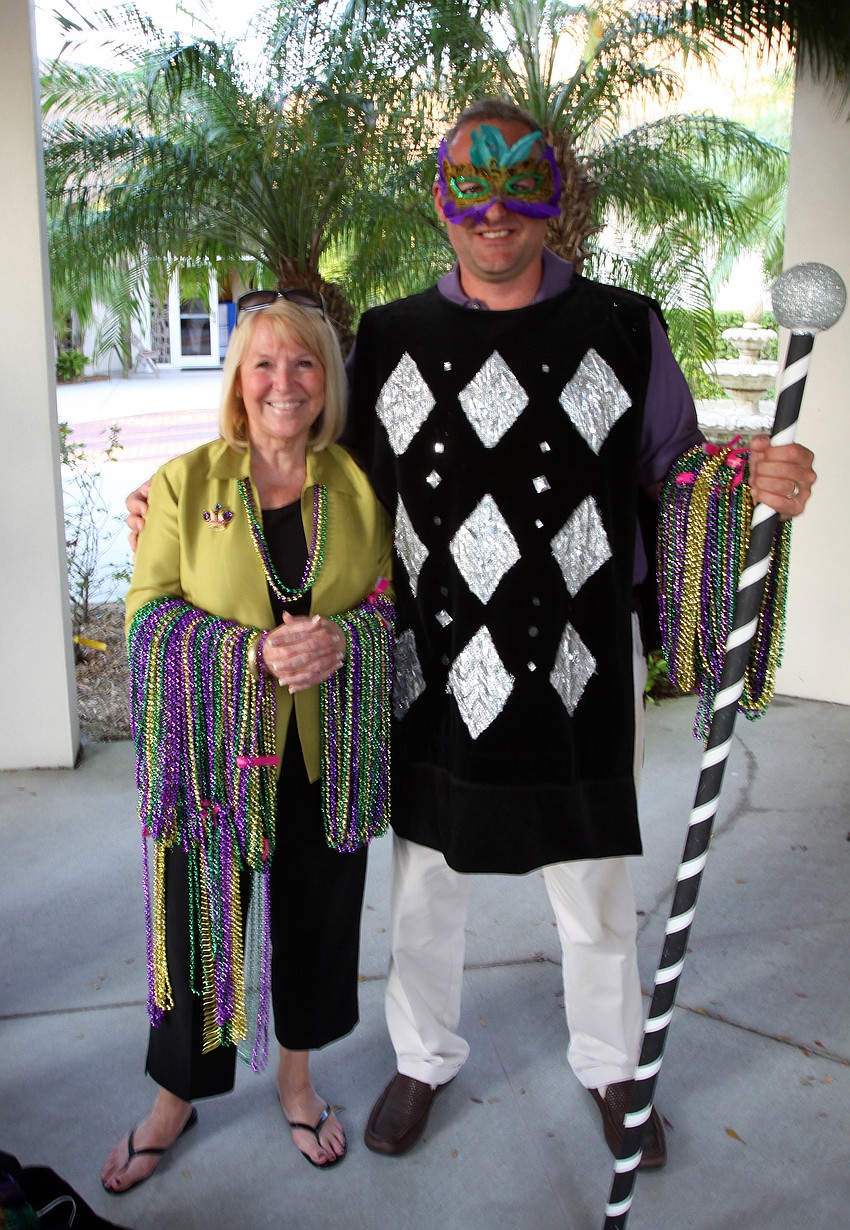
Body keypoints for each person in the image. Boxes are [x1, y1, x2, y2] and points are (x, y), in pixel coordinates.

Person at [125, 99, 817, 1173]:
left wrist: (746, 477)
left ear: (556, 198)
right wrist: (172, 496)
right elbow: (304, 456)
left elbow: (670, 468)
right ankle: (423, 1057)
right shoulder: (392, 337)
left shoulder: (625, 328)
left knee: (589, 879)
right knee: (426, 878)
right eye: (470, 188)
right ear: (440, 202)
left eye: (519, 188)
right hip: (428, 657)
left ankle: (607, 1062)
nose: (494, 214)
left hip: (582, 653)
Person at [102, 292, 393, 1194]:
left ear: (326, 381)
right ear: (238, 381)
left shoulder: (355, 483)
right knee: (196, 924)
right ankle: (174, 1098)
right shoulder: (188, 482)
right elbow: (147, 619)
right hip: (208, 760)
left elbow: (389, 606)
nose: (283, 382)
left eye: (304, 363)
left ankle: (298, 1085)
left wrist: (347, 641)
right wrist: (248, 654)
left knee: (315, 916)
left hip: (323, 751)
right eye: (264, 364)